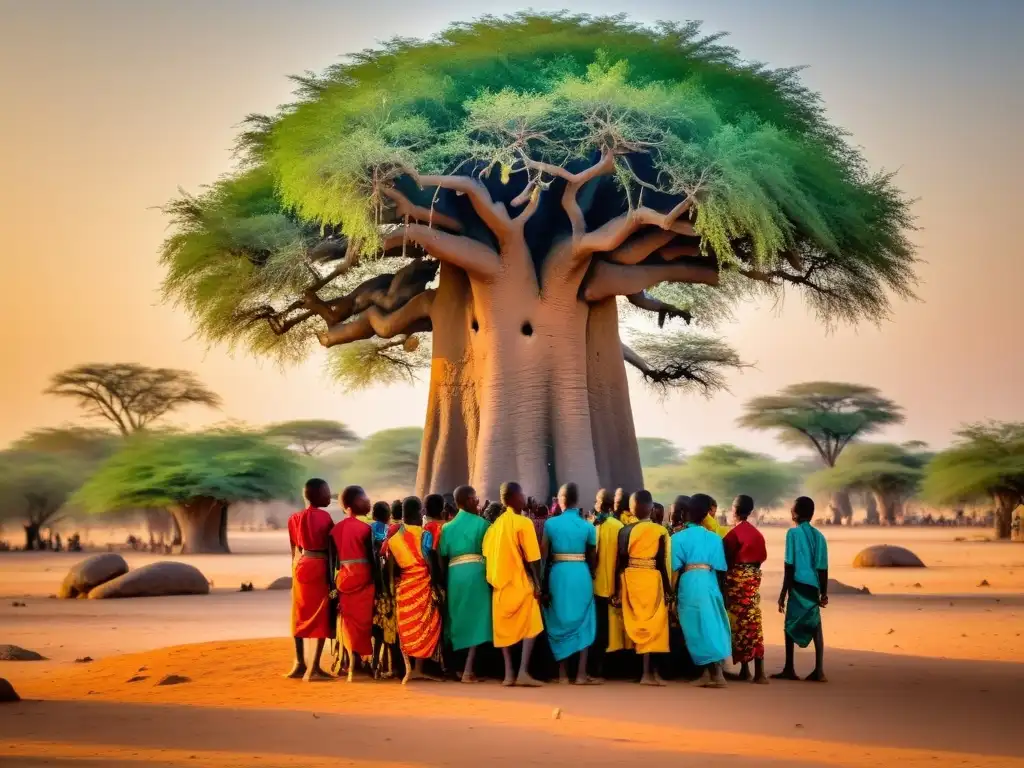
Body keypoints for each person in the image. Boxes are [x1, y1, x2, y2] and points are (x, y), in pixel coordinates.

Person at [481, 482, 544, 687]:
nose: (525, 497)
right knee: (532, 624)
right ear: (515, 498)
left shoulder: (495, 526)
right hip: (520, 583)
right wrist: (538, 584)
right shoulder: (523, 523)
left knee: (503, 630)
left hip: (499, 586)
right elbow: (534, 558)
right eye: (522, 494)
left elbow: (487, 554)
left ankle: (509, 674)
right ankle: (523, 671)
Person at [671, 495, 732, 688]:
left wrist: (671, 594)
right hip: (710, 582)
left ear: (686, 513)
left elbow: (673, 568)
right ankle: (708, 673)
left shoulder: (678, 537)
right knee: (712, 624)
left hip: (689, 582)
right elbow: (721, 570)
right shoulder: (714, 538)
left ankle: (716, 675)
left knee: (695, 627)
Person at [541, 482, 599, 685]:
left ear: (560, 500)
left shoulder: (550, 524)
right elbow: (593, 557)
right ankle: (581, 674)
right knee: (584, 620)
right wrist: (591, 572)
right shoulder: (588, 526)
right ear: (577, 500)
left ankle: (563, 674)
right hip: (580, 574)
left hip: (558, 574)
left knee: (559, 620)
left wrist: (543, 584)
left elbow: (544, 557)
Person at [382, 496, 443, 684]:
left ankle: (410, 670)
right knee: (428, 626)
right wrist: (437, 586)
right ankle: (418, 669)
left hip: (405, 588)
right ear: (419, 512)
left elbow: (390, 571)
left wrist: (390, 593)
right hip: (423, 585)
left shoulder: (393, 539)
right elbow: (431, 563)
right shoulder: (424, 535)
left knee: (407, 628)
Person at [613, 490, 671, 685]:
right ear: (651, 508)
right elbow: (662, 563)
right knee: (654, 625)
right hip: (652, 580)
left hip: (630, 579)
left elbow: (619, 562)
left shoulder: (624, 530)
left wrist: (616, 589)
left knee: (639, 622)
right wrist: (669, 590)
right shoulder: (660, 531)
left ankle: (645, 673)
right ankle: (649, 673)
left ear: (631, 509)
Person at [438, 485, 492, 683]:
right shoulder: (483, 524)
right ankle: (469, 670)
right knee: (477, 620)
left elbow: (442, 556)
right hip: (476, 574)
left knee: (457, 619)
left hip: (454, 575)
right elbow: (489, 553)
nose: (477, 502)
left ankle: (457, 668)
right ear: (469, 500)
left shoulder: (447, 527)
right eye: (475, 498)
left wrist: (444, 582)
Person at [774, 496, 829, 682]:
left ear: (795, 513)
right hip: (813, 587)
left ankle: (790, 668)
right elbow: (823, 567)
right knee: (815, 626)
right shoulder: (820, 536)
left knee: (789, 625)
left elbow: (789, 565)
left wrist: (783, 593)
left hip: (797, 585)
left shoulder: (792, 534)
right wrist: (824, 592)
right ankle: (819, 670)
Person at [286, 478, 335, 681]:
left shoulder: (294, 518)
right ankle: (313, 668)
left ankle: (299, 663)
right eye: (326, 492)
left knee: (299, 612)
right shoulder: (324, 517)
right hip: (319, 565)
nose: (329, 495)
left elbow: (294, 550)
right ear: (316, 495)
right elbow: (331, 548)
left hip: (301, 565)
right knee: (321, 613)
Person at [329, 485, 376, 682]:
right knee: (365, 620)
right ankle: (361, 664)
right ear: (352, 503)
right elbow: (372, 558)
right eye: (364, 498)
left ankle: (351, 662)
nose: (368, 501)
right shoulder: (366, 528)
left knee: (348, 621)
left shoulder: (335, 529)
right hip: (363, 576)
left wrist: (333, 584)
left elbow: (334, 561)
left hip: (343, 579)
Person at [722, 494, 769, 683]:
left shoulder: (732, 535)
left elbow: (725, 561)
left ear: (734, 510)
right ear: (750, 512)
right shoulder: (757, 534)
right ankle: (757, 671)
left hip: (737, 584)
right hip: (752, 582)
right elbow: (760, 561)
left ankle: (748, 670)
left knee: (738, 625)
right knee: (753, 623)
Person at [591, 488, 630, 679]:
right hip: (611, 585)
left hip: (597, 584)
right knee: (610, 627)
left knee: (600, 627)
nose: (595, 504)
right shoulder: (618, 526)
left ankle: (599, 668)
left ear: (603, 504)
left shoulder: (593, 525)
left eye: (597, 501)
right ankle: (609, 668)